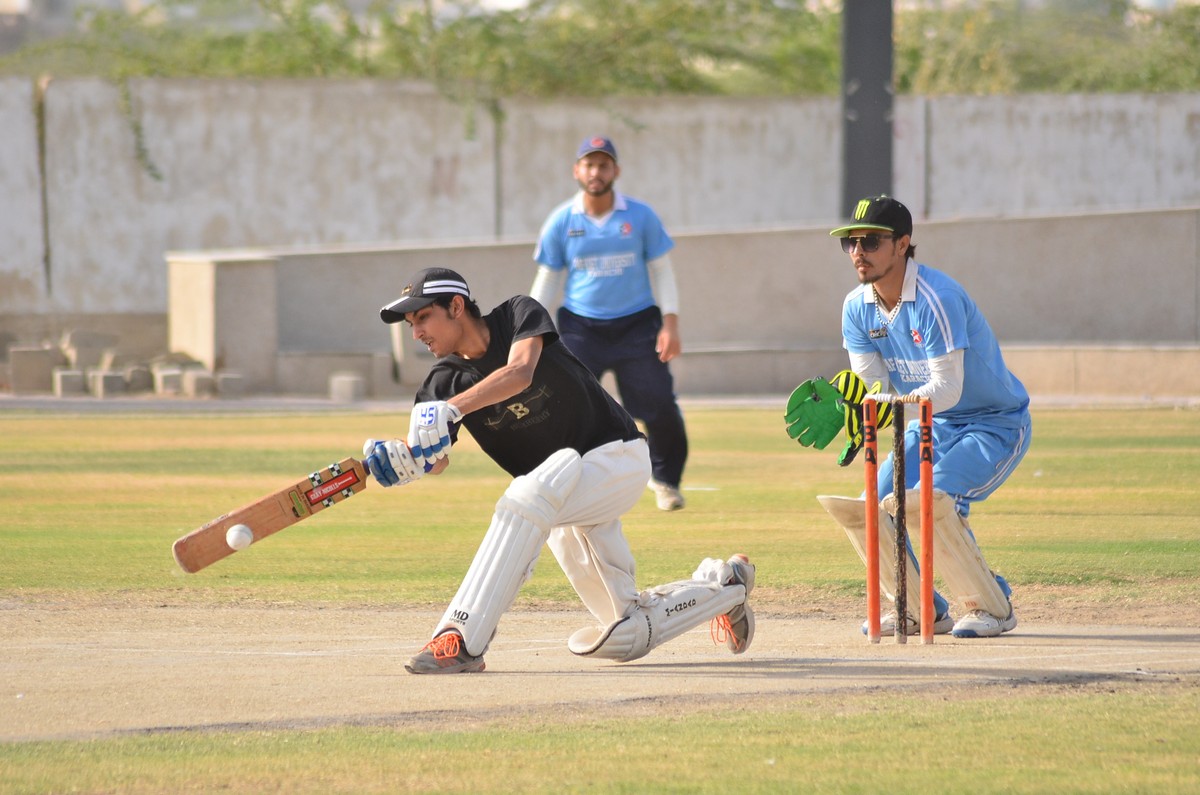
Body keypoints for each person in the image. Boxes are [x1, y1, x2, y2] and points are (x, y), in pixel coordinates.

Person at [363, 267, 754, 674]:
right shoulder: (440, 383)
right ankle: (726, 585)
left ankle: (460, 639)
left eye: (423, 318)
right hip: (556, 494)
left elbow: (520, 372)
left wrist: (455, 407)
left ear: (456, 306)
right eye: (411, 324)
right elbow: (436, 457)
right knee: (627, 631)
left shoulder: (517, 314)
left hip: (615, 459)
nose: (416, 334)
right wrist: (407, 459)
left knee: (525, 496)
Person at [787, 196, 1031, 639]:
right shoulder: (856, 308)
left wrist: (881, 405)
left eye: (871, 241)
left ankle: (990, 604)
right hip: (929, 424)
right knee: (869, 508)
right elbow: (873, 386)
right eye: (850, 243)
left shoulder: (938, 298)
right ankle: (918, 607)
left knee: (933, 501)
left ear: (902, 244)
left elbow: (948, 389)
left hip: (993, 421)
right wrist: (854, 404)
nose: (858, 252)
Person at [530, 135, 690, 512]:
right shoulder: (561, 220)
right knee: (567, 407)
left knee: (659, 405)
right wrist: (529, 331)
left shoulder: (640, 216)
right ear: (576, 171)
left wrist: (670, 324)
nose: (596, 172)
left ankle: (666, 481)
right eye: (589, 164)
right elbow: (548, 278)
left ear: (616, 170)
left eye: (603, 165)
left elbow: (662, 271)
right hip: (580, 327)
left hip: (638, 325)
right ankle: (566, 485)